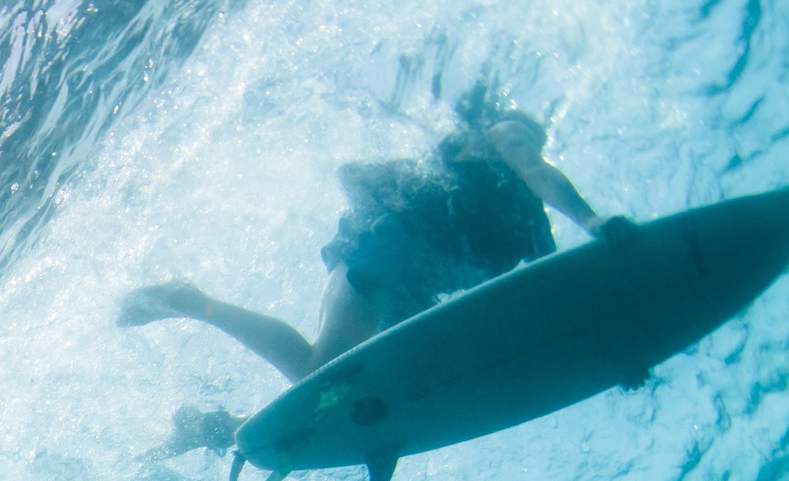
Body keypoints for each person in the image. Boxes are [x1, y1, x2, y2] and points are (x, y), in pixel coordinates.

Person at [119, 88, 637, 450]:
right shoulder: (504, 144)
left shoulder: (529, 225)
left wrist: (611, 356)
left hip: (415, 293)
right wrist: (593, 218)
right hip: (385, 247)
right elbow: (538, 174)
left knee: (350, 393)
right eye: (524, 139)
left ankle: (217, 427)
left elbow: (560, 301)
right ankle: (192, 302)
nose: (530, 147)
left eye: (535, 141)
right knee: (321, 371)